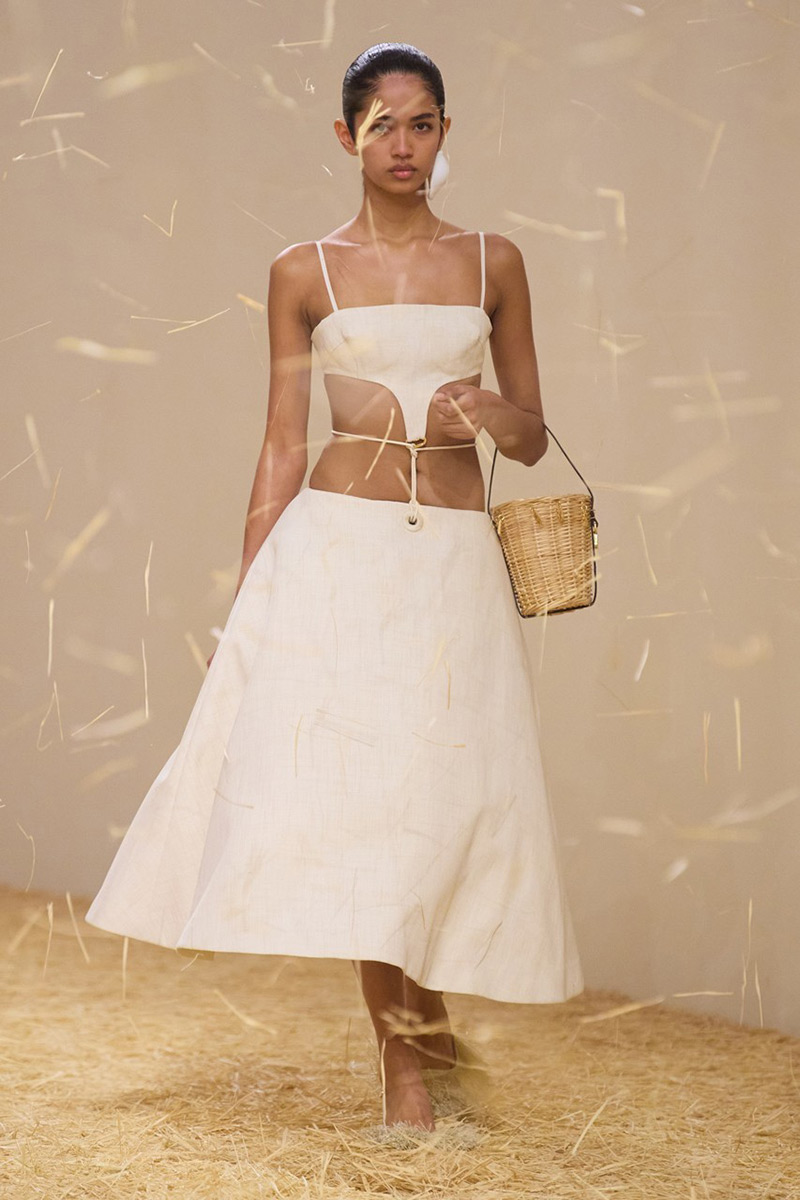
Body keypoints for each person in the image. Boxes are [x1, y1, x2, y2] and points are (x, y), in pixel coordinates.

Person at [84, 42, 584, 1135]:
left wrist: (486, 412)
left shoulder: (494, 262)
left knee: (443, 799)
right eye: (381, 125)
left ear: (444, 133)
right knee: (366, 810)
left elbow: (532, 438)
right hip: (336, 555)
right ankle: (406, 1074)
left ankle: (430, 1035)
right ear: (346, 136)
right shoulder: (302, 270)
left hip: (450, 561)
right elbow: (281, 441)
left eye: (422, 123)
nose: (403, 144)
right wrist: (252, 593)